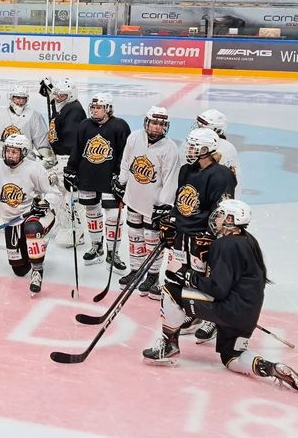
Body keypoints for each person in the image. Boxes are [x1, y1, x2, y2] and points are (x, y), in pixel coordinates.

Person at [142, 199, 298, 392]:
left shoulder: (225, 245)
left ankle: (168, 346)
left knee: (171, 292)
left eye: (221, 215)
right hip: (247, 314)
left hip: (229, 309)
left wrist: (185, 272)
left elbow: (217, 289)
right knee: (231, 358)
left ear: (232, 220)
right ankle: (269, 367)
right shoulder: (248, 240)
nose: (216, 219)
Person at [154, 127, 237, 344]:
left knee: (204, 281)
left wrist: (212, 238)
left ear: (207, 149)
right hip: (183, 236)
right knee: (178, 277)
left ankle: (213, 320)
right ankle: (189, 314)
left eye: (193, 146)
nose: (189, 149)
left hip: (203, 238)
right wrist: (172, 220)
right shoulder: (186, 170)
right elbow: (181, 202)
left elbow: (222, 212)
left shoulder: (222, 175)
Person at [0, 134, 55, 295]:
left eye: (14, 152)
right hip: (12, 220)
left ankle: (38, 271)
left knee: (31, 229)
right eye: (7, 151)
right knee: (20, 269)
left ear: (23, 153)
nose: (9, 155)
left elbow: (54, 193)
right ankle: (32, 249)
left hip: (35, 215)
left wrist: (44, 203)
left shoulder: (34, 168)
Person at [112, 106, 180, 297]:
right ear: (146, 122)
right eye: (154, 123)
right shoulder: (134, 137)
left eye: (161, 124)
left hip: (154, 205)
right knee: (134, 237)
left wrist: (164, 205)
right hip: (133, 199)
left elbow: (170, 180)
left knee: (151, 240)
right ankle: (135, 270)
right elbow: (126, 163)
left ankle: (152, 275)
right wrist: (121, 182)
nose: (157, 127)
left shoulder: (170, 148)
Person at [64, 92, 130, 272]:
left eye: (98, 107)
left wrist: (120, 177)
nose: (94, 111)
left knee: (113, 216)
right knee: (92, 212)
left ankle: (112, 251)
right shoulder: (84, 125)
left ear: (108, 109)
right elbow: (77, 149)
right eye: (93, 107)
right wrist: (70, 169)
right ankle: (97, 246)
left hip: (110, 180)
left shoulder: (120, 126)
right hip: (88, 177)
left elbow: (125, 155)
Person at [41, 77, 88, 247]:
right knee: (60, 192)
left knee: (67, 194)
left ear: (70, 96)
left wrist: (66, 164)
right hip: (61, 157)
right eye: (57, 95)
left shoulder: (74, 112)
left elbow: (72, 143)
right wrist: (51, 89)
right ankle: (66, 225)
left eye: (62, 96)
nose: (57, 98)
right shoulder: (67, 107)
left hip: (68, 160)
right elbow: (57, 117)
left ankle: (77, 230)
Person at [0, 84, 51, 173]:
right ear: (11, 98)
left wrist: (47, 158)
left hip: (25, 166)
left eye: (23, 98)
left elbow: (42, 143)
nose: (20, 102)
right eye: (17, 98)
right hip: (0, 164)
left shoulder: (34, 115)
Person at [193, 109, 242, 197]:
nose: (198, 129)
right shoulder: (198, 144)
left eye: (202, 127)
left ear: (216, 130)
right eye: (198, 125)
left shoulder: (224, 149)